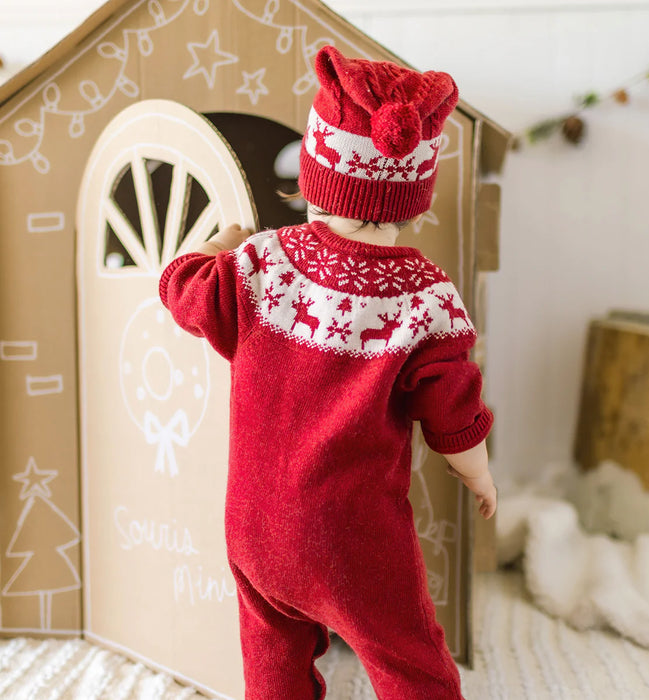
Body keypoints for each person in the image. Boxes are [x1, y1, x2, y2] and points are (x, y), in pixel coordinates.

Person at [160, 45, 496, 700]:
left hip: (255, 528)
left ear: (312, 178)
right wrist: (478, 474)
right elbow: (454, 413)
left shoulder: (257, 267)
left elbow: (178, 288)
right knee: (409, 661)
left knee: (272, 658)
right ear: (414, 206)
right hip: (356, 545)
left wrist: (218, 241)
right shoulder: (425, 298)